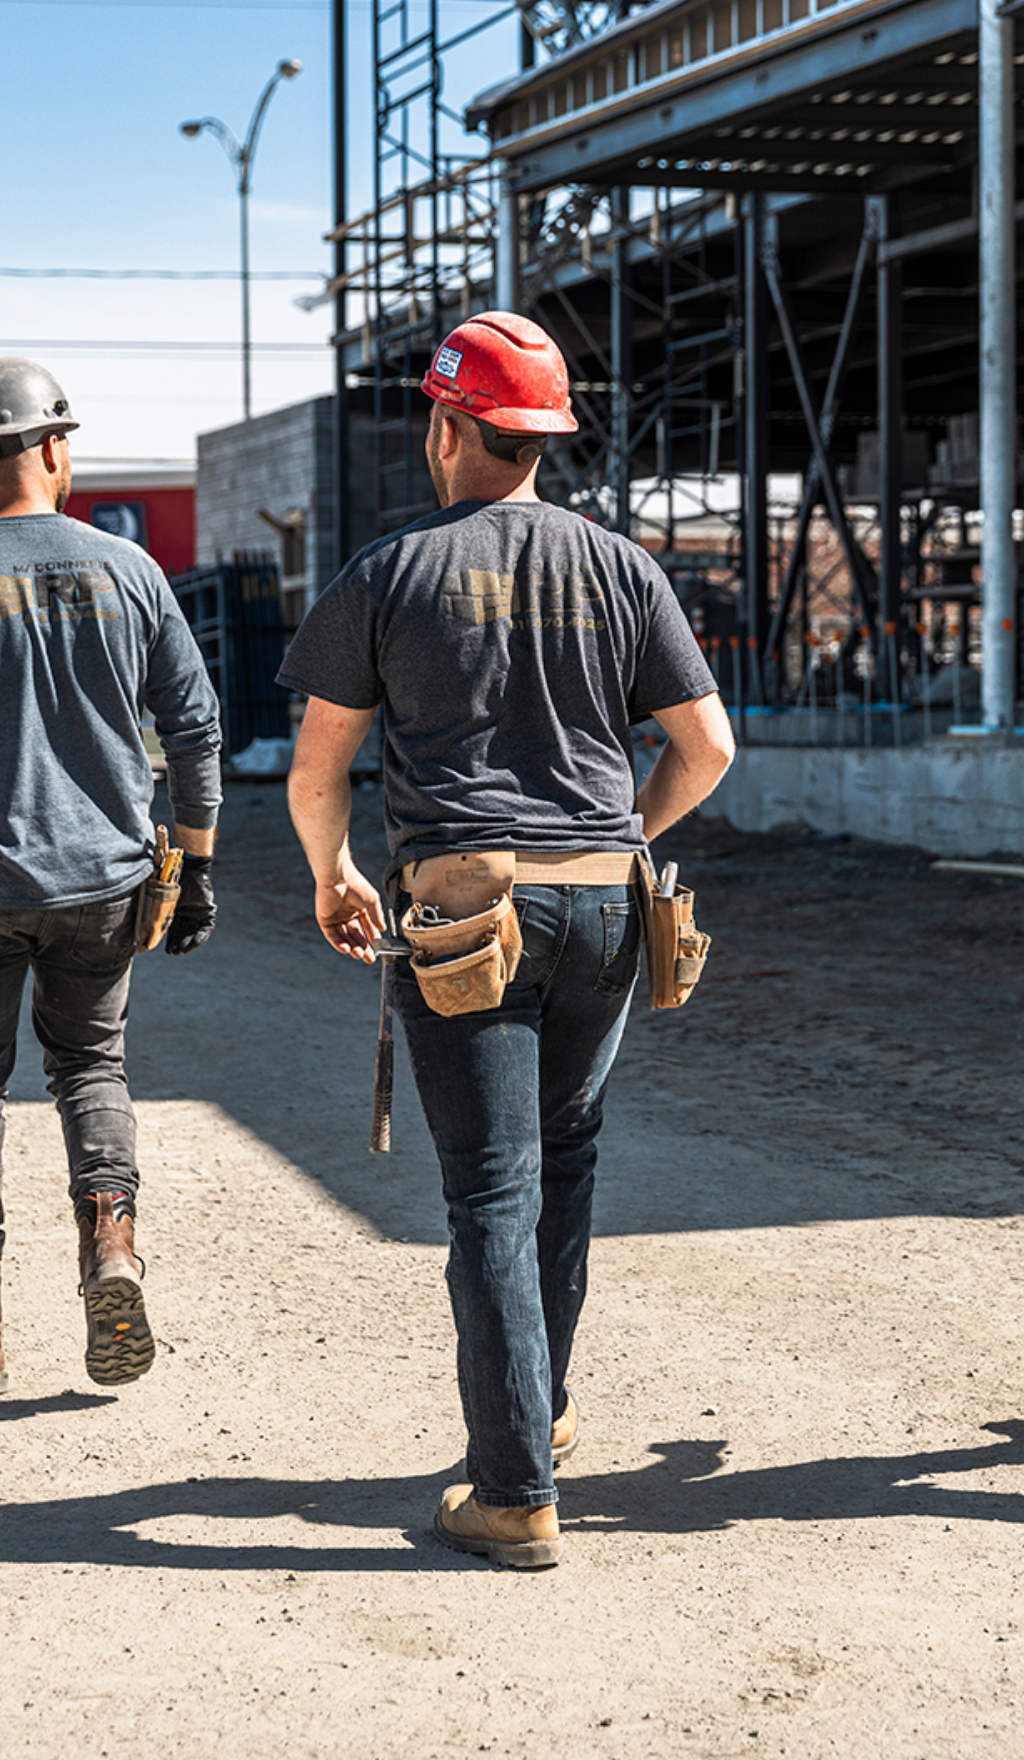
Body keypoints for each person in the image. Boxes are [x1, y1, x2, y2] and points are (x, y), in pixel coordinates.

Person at [280, 311, 734, 1568]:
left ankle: (514, 1486)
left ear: (444, 426)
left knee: (489, 1185)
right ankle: (546, 1402)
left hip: (469, 901)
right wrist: (618, 837)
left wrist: (335, 874)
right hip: (603, 903)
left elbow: (318, 770)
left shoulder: (389, 569)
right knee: (568, 1154)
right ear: (540, 438)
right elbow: (708, 748)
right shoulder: (620, 565)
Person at [0, 359, 221, 1396]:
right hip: (105, 887)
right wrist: (195, 869)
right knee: (92, 1067)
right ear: (58, 447)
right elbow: (197, 730)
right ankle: (110, 1247)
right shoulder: (130, 571)